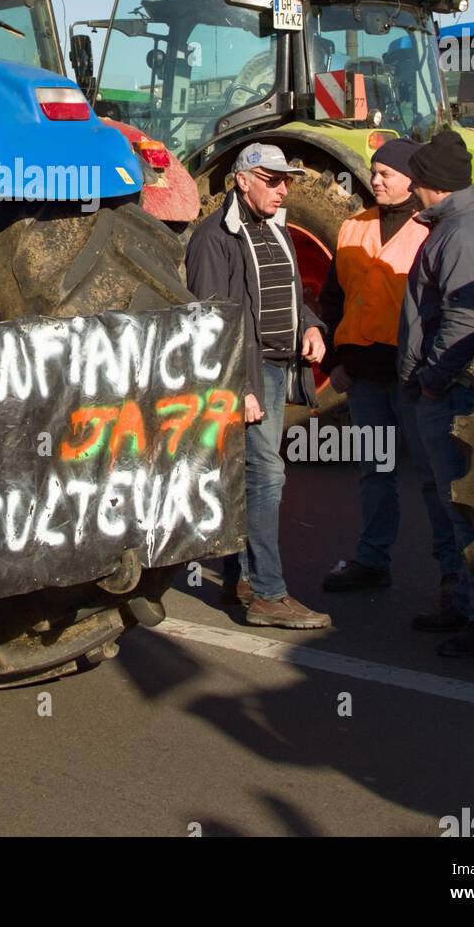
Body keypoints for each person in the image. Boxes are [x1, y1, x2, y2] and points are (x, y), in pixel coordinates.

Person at [185, 143, 331, 630]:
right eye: (273, 179)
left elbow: (288, 291)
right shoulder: (213, 237)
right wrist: (239, 387)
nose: (283, 188)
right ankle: (268, 592)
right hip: (246, 375)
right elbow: (214, 323)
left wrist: (309, 325)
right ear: (242, 180)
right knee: (265, 475)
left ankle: (242, 579)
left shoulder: (274, 228)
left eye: (286, 179)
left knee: (252, 475)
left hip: (273, 367)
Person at [317, 139, 461, 596]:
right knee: (375, 473)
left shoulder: (432, 229)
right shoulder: (352, 228)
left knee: (433, 477)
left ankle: (454, 574)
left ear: (411, 180)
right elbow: (334, 300)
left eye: (385, 173)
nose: (375, 180)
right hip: (365, 380)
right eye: (373, 172)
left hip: (413, 379)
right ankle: (372, 559)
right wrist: (338, 361)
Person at [398, 129, 474, 656]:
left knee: (462, 508)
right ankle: (466, 603)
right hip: (444, 389)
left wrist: (431, 382)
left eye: (416, 180)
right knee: (450, 506)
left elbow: (464, 320)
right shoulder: (457, 225)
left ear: (434, 186)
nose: (409, 188)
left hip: (449, 393)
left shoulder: (463, 234)